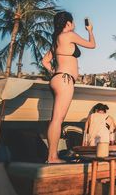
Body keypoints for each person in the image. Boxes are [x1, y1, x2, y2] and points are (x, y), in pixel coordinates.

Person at [42, 11, 96, 163]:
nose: (74, 25)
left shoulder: (56, 40)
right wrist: (90, 31)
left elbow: (44, 61)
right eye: (72, 22)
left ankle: (51, 156)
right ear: (68, 23)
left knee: (56, 119)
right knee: (57, 120)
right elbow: (92, 45)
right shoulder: (68, 35)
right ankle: (52, 157)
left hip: (58, 78)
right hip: (65, 80)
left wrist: (54, 72)